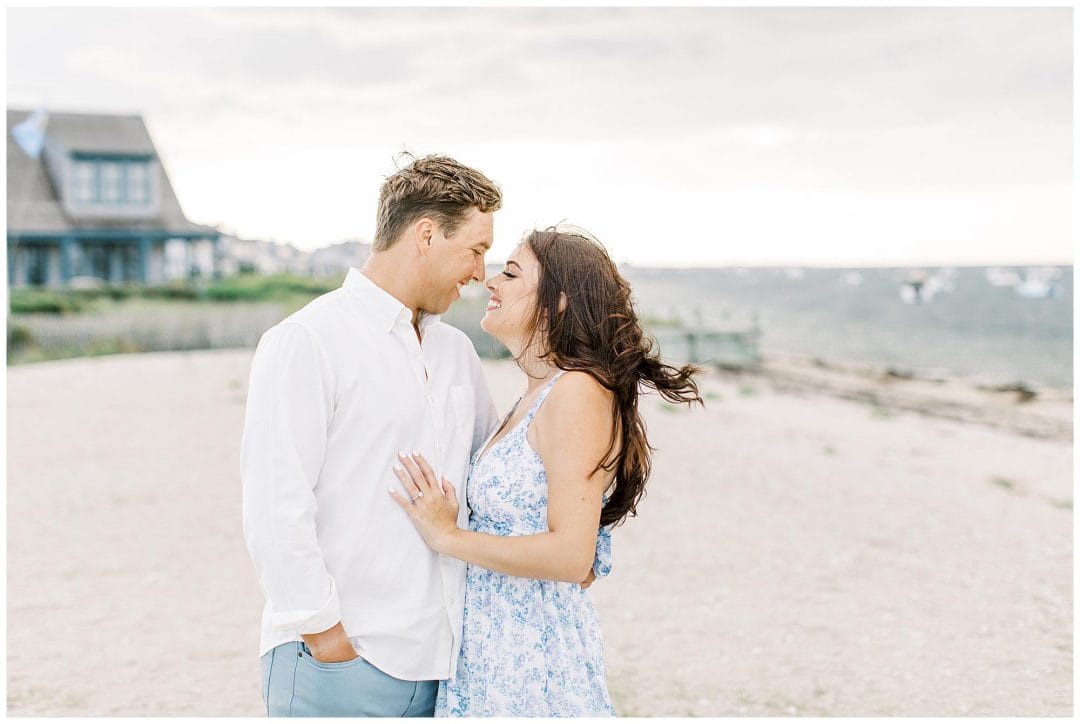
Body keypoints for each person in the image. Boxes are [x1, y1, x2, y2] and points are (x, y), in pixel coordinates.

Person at [389, 227, 703, 717]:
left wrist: (447, 536)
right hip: (496, 650)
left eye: (512, 273)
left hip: (531, 658)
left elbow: (571, 556)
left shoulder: (576, 391)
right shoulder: (539, 391)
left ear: (558, 302)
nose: (491, 281)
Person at [240, 154, 506, 717]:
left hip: (445, 668)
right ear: (427, 234)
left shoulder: (455, 353)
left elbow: (491, 479)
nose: (481, 272)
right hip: (342, 664)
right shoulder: (307, 340)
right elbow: (274, 507)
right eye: (476, 250)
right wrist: (328, 640)